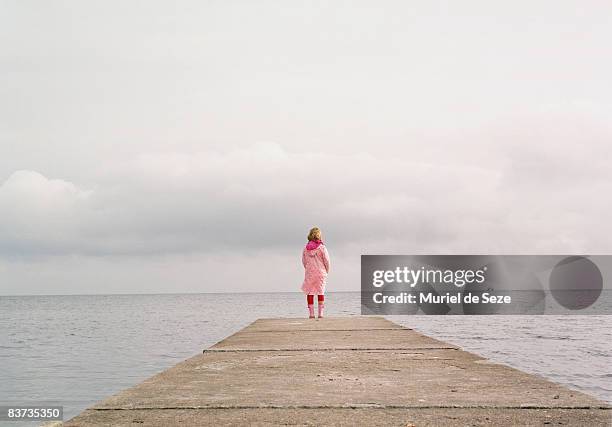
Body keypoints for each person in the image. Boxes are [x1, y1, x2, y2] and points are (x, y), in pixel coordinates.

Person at [301, 227, 330, 319]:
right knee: (321, 292)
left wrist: (308, 269)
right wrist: (327, 270)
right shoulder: (322, 247)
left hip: (310, 272)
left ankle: (311, 314)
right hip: (321, 272)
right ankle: (320, 314)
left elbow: (304, 261)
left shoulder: (306, 249)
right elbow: (327, 260)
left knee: (310, 292)